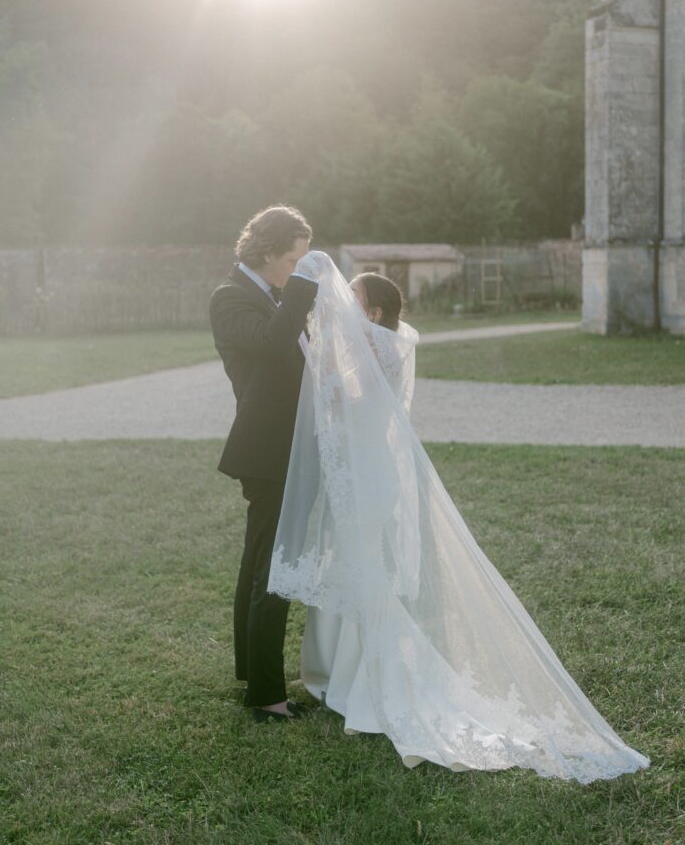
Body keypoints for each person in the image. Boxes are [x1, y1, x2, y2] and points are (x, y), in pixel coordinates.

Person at [269, 251, 650, 778]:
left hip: (367, 482)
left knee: (364, 576)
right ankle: (337, 671)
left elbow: (342, 401)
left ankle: (366, 681)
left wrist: (317, 357)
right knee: (358, 573)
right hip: (367, 478)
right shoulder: (380, 345)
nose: (344, 304)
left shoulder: (374, 351)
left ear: (373, 313)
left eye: (351, 297)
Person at [209, 205, 317, 722]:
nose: (297, 270)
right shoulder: (231, 297)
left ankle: (254, 674)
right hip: (266, 450)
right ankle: (268, 696)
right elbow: (274, 347)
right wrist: (302, 291)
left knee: (259, 565)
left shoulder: (272, 294)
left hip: (281, 446)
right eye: (293, 261)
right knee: (271, 571)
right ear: (268, 251)